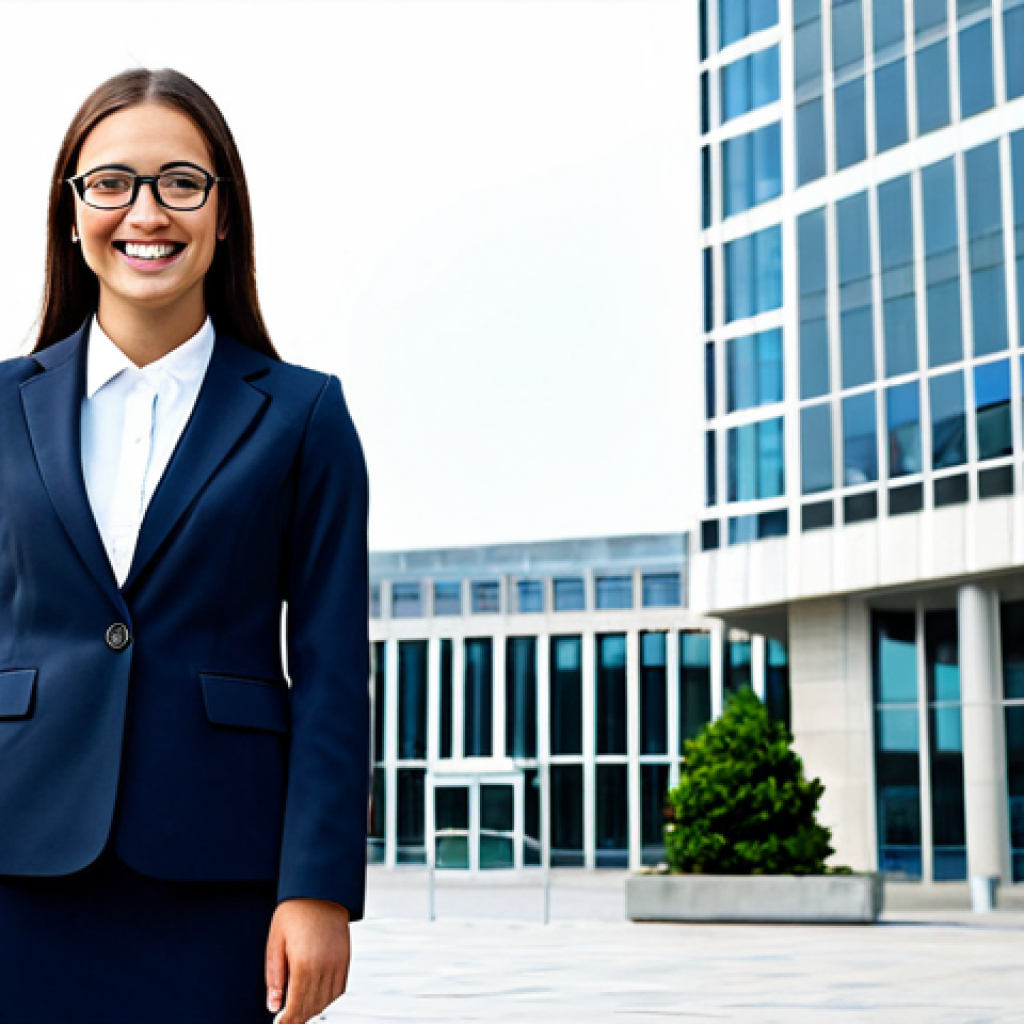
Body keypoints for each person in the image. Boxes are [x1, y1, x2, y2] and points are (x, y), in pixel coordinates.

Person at [0, 68, 370, 1023]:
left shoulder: (304, 415)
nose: (146, 212)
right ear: (71, 210)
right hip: (17, 856)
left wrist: (318, 888)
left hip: (220, 878)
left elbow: (333, 670)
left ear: (224, 212)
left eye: (180, 182)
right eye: (111, 182)